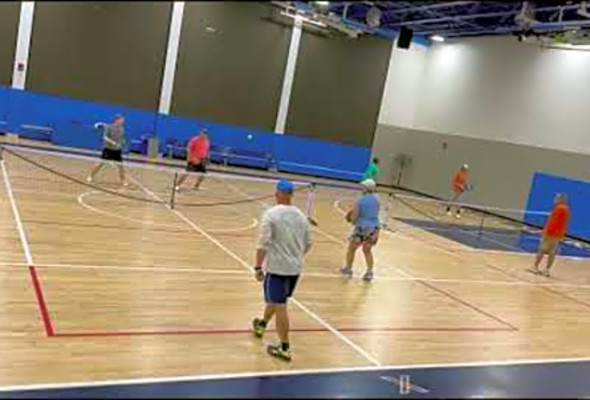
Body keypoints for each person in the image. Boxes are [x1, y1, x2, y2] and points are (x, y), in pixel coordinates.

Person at [251, 179, 312, 362]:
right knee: (278, 301)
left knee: (281, 306)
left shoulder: (271, 215)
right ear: (291, 195)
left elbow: (263, 244)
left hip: (278, 268)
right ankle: (262, 323)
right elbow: (308, 244)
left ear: (278, 193)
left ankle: (284, 347)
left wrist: (257, 267)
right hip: (295, 269)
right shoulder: (301, 216)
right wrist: (295, 256)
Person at [340, 179, 380, 282]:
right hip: (374, 228)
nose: (361, 188)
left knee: (352, 248)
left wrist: (352, 220)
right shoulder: (377, 199)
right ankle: (369, 272)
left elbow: (355, 215)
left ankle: (348, 269)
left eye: (363, 187)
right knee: (367, 250)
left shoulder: (360, 199)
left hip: (362, 227)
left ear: (366, 188)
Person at [527, 193, 570, 278]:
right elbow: (563, 224)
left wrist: (545, 232)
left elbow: (553, 222)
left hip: (551, 234)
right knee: (552, 252)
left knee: (542, 249)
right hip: (557, 234)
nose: (555, 199)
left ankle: (535, 266)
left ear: (561, 199)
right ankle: (547, 270)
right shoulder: (566, 209)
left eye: (557, 198)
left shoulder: (559, 208)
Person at [87, 114, 127, 186]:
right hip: (108, 149)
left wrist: (122, 142)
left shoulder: (122, 129)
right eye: (121, 120)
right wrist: (113, 142)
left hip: (117, 150)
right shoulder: (109, 127)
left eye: (123, 120)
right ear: (116, 120)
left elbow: (122, 138)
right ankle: (90, 176)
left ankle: (123, 180)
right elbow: (105, 137)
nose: (122, 121)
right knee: (100, 163)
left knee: (120, 166)